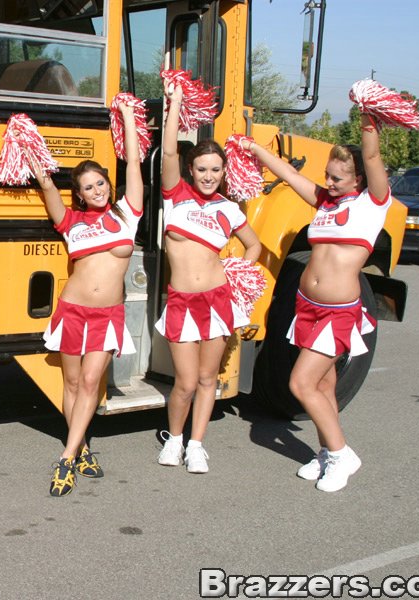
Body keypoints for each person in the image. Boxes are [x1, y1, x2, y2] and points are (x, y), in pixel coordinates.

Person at [241, 111, 389, 492]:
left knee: (300, 383)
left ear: (358, 179)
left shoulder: (372, 205)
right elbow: (290, 176)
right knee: (322, 385)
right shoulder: (325, 202)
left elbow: (372, 158)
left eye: (338, 178)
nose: (329, 182)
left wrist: (368, 121)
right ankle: (326, 452)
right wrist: (254, 148)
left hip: (338, 312)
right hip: (307, 306)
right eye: (327, 174)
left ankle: (341, 455)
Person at [29, 100, 144, 497]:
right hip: (72, 310)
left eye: (100, 184)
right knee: (74, 383)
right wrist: (28, 143)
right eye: (87, 187)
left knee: (93, 381)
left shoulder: (128, 214)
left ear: (109, 186)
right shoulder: (71, 223)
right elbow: (46, 184)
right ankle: (81, 449)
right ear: (78, 194)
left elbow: (133, 166)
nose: (96, 191)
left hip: (107, 314)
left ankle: (66, 457)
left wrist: (128, 117)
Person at [155, 82, 261, 474]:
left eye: (216, 170)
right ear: (190, 169)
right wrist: (176, 102)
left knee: (206, 378)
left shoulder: (228, 209)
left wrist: (236, 274)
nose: (209, 176)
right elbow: (168, 150)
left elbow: (255, 246)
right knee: (183, 381)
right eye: (202, 168)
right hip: (182, 302)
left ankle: (197, 444)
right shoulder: (175, 195)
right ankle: (175, 439)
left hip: (217, 301)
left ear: (223, 172)